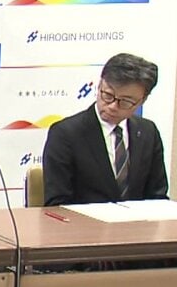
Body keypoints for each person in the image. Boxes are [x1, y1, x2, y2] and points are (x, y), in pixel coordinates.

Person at [43, 53, 169, 206]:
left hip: (138, 221)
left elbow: (157, 197)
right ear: (99, 85)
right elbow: (57, 204)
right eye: (108, 95)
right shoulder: (65, 134)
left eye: (125, 102)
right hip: (85, 221)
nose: (113, 106)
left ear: (142, 100)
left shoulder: (148, 132)